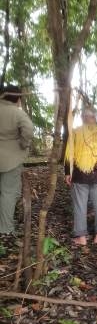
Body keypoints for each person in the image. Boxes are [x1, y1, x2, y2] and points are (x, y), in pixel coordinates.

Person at [64, 107, 97, 245]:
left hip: (80, 175)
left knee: (80, 205)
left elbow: (69, 155)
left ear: (82, 117)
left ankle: (81, 237)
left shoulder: (75, 132)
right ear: (95, 118)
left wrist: (68, 172)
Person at [0, 85, 33, 234]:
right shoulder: (17, 113)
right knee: (8, 193)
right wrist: (23, 144)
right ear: (18, 98)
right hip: (10, 160)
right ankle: (6, 228)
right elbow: (28, 129)